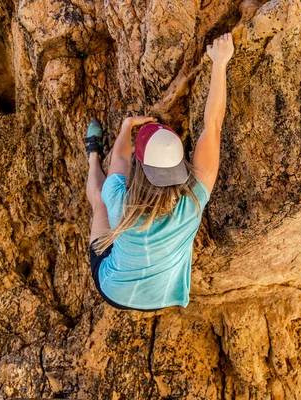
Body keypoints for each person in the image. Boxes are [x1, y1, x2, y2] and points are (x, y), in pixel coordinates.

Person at [83, 32, 234, 311]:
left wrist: (127, 126)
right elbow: (213, 124)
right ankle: (92, 154)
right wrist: (220, 62)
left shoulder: (119, 200)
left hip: (113, 288)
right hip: (164, 297)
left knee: (99, 205)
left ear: (139, 164)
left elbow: (118, 156)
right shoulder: (192, 201)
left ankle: (92, 155)